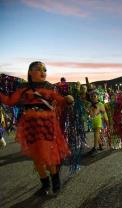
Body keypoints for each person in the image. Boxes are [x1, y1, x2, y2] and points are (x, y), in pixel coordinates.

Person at [0, 61, 74, 195]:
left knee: (49, 155)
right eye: (39, 69)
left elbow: (61, 100)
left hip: (47, 124)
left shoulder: (50, 87)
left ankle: (55, 183)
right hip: (30, 126)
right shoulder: (23, 88)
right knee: (36, 157)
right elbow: (9, 101)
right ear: (29, 72)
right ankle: (45, 185)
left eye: (45, 70)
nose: (43, 72)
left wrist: (68, 99)